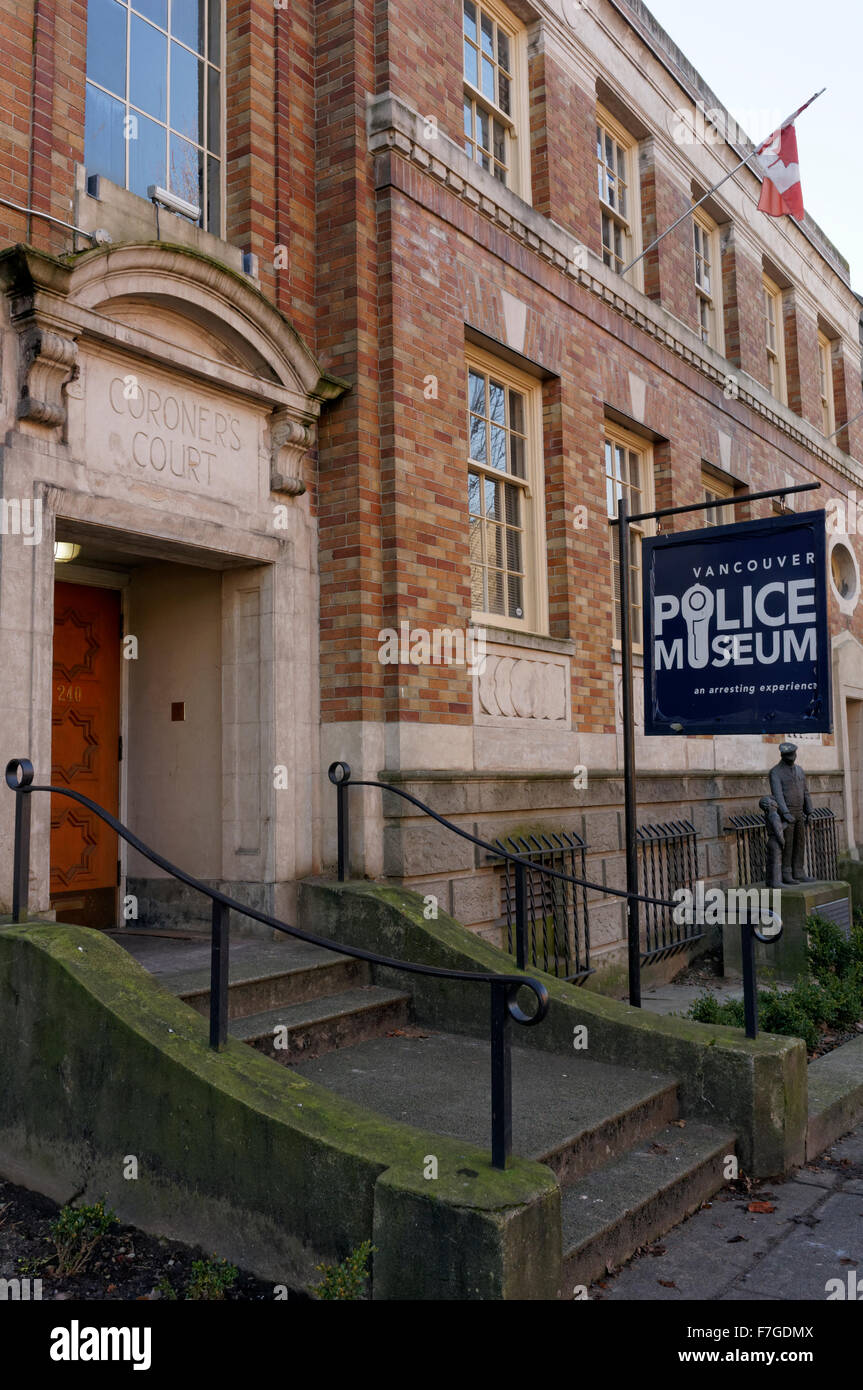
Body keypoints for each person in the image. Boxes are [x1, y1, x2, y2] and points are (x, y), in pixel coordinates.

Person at [768, 742, 814, 884]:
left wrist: (810, 810)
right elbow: (778, 794)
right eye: (789, 755)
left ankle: (799, 871)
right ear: (783, 755)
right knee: (788, 844)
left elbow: (805, 792)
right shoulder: (775, 772)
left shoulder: (800, 771)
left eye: (793, 755)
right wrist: (785, 812)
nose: (792, 757)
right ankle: (786, 873)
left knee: (800, 843)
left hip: (800, 812)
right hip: (787, 815)